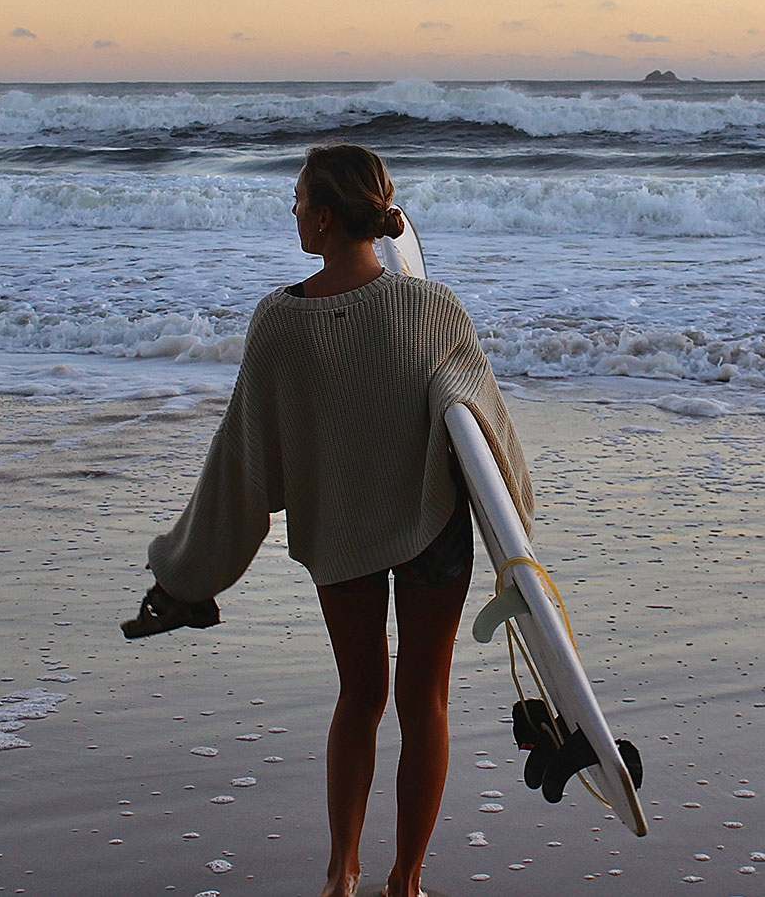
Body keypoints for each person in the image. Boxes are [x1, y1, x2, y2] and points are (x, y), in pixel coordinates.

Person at [129, 143, 532, 897]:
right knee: (426, 701)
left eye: (297, 199)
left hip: (342, 528)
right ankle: (406, 881)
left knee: (361, 695)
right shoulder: (434, 306)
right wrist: (523, 540)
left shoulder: (281, 321)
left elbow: (241, 458)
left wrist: (188, 570)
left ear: (321, 217)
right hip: (430, 526)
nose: (290, 211)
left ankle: (340, 872)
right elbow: (486, 428)